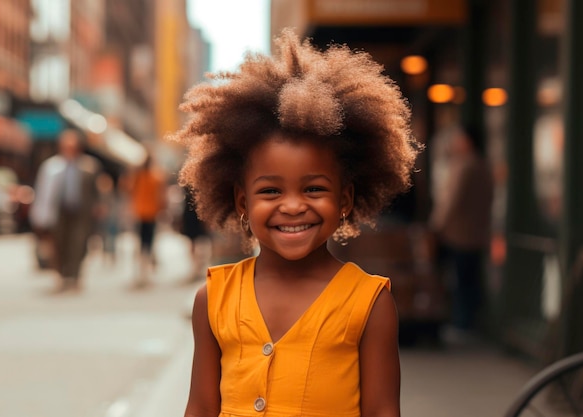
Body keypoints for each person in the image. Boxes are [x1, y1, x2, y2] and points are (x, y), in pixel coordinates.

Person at [173, 29, 421, 417]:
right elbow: (201, 407)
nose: (292, 206)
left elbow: (383, 412)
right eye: (270, 191)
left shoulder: (370, 304)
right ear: (242, 200)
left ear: (345, 200)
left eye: (314, 189)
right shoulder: (212, 299)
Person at [429, 124, 494, 331]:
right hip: (477, 233)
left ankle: (461, 322)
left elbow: (451, 201)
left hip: (458, 235)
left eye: (459, 138)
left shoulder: (464, 167)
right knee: (470, 279)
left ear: (468, 141)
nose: (455, 143)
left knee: (459, 280)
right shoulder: (484, 166)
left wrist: (436, 226)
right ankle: (471, 321)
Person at [29, 129, 102, 294]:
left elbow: (96, 191)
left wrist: (98, 207)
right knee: (60, 243)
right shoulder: (52, 166)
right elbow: (43, 192)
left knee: (78, 244)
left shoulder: (89, 166)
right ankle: (62, 275)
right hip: (60, 212)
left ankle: (75, 276)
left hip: (81, 212)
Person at [126, 154, 166, 289]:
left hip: (142, 213)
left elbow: (129, 190)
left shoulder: (140, 176)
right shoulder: (155, 175)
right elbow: (161, 196)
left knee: (142, 243)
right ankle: (145, 271)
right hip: (149, 213)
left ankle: (143, 271)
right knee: (148, 243)